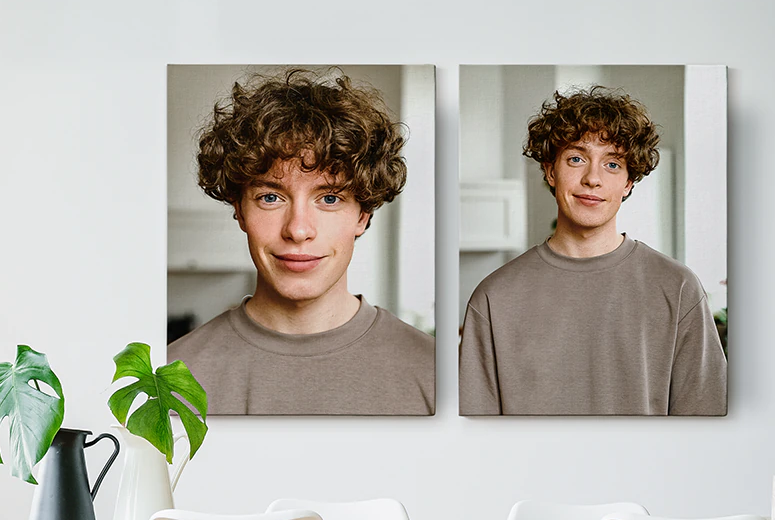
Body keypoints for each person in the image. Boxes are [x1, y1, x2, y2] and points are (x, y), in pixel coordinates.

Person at [169, 68, 435, 416]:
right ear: (240, 210)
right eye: (270, 197)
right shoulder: (172, 376)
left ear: (363, 214)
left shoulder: (437, 374)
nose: (297, 230)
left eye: (328, 199)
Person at [459, 86, 726, 416]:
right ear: (550, 170)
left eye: (612, 164)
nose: (592, 179)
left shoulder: (679, 288)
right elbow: (475, 444)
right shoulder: (493, 297)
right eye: (576, 159)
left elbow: (706, 430)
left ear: (629, 182)